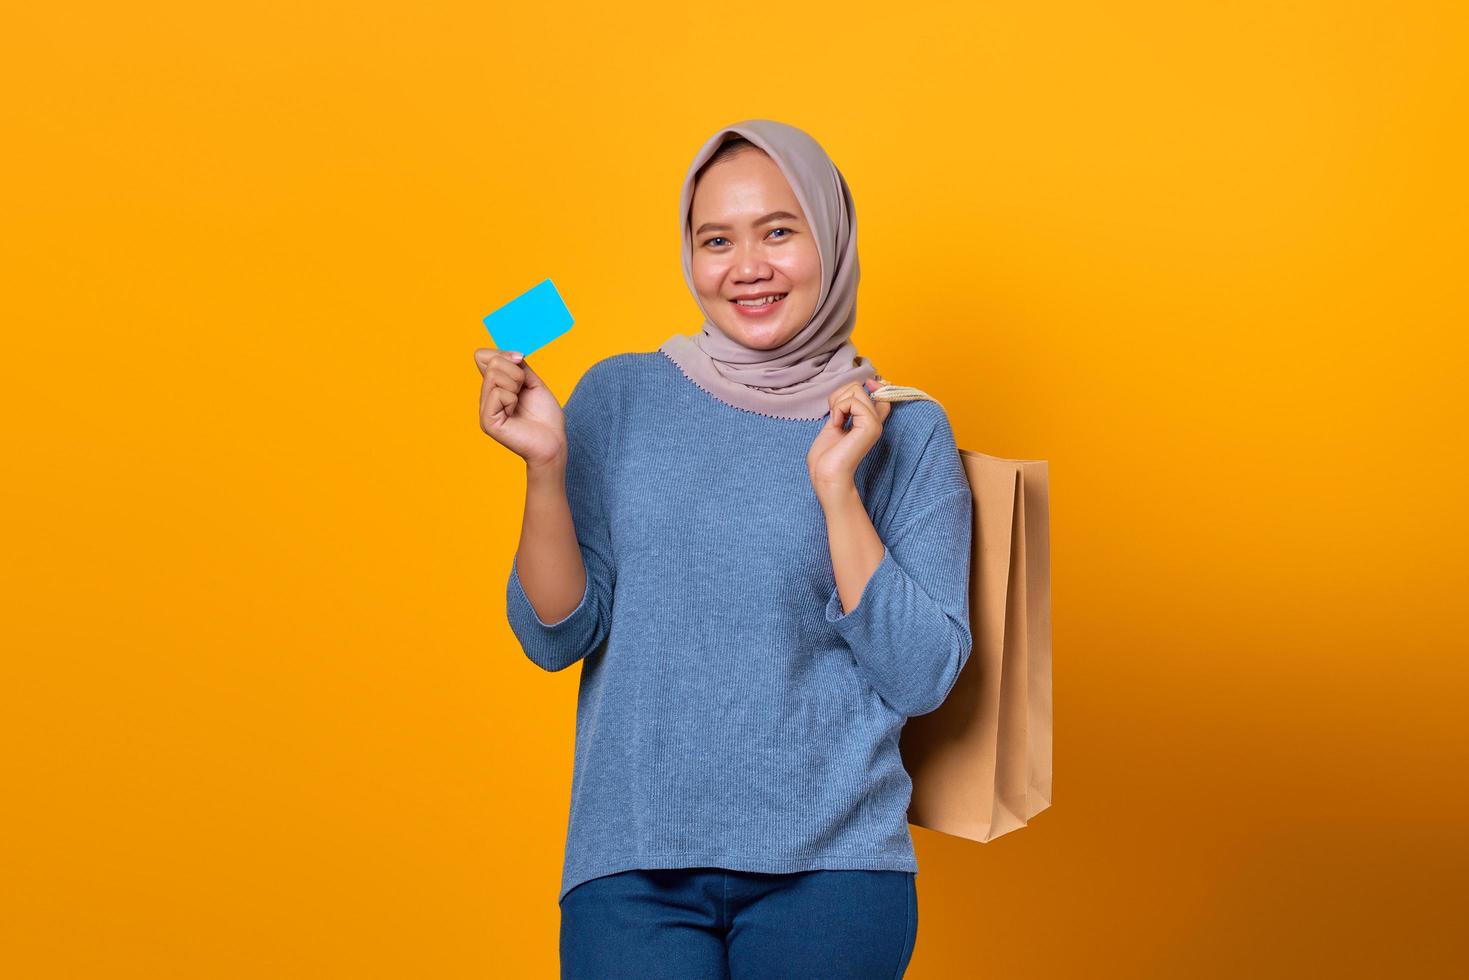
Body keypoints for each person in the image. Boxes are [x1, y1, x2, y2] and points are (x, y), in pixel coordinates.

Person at [474, 119, 973, 979]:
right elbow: (553, 635)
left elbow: (919, 675)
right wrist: (547, 468)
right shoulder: (619, 395)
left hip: (833, 870)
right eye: (717, 240)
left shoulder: (904, 428)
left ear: (832, 238)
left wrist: (836, 489)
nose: (746, 267)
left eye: (779, 231)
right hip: (630, 864)